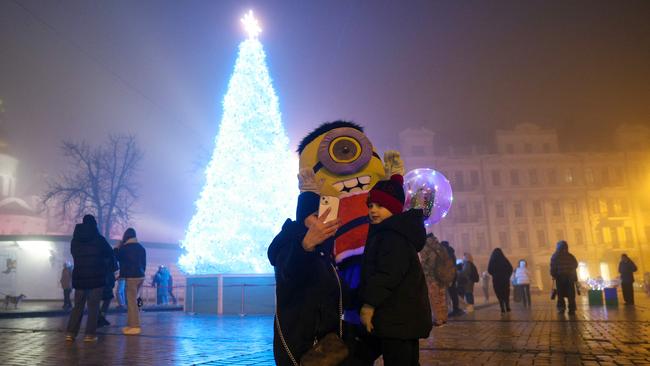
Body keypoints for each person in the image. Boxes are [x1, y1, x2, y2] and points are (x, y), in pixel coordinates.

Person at [359, 175, 432, 365]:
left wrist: (368, 305)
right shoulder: (391, 232)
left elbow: (387, 275)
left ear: (393, 209)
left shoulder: (392, 236)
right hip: (400, 317)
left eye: (380, 206)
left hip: (397, 317)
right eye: (371, 205)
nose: (373, 210)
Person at [268, 192, 341, 366]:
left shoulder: (323, 252)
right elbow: (289, 273)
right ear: (303, 218)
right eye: (316, 216)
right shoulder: (288, 245)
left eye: (326, 215)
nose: (322, 221)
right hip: (299, 345)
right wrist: (304, 246)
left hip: (323, 346)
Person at [65, 214, 115, 342]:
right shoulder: (99, 239)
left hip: (80, 277)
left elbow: (74, 254)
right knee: (93, 307)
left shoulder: (75, 241)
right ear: (94, 224)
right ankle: (90, 334)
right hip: (97, 278)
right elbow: (110, 254)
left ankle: (71, 333)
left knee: (78, 306)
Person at [115, 227, 146, 335]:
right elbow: (144, 263)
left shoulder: (125, 248)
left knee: (131, 303)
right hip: (140, 276)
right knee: (133, 301)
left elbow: (116, 257)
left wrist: (117, 247)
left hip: (131, 277)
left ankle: (135, 326)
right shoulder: (141, 248)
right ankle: (130, 325)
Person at [419, 233, 452, 327]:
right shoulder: (440, 247)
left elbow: (425, 263)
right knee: (442, 297)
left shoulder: (425, 247)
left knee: (434, 298)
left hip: (431, 277)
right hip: (441, 276)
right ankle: (444, 317)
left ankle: (438, 319)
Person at [550, 240, 578, 315]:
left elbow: (552, 267)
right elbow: (575, 265)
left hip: (560, 277)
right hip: (570, 277)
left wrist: (554, 275)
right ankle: (572, 309)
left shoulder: (555, 256)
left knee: (560, 294)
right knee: (571, 294)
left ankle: (561, 308)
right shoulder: (570, 256)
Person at [488, 248, 513, 314]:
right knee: (506, 293)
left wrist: (494, 274)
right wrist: (507, 276)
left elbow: (489, 270)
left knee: (499, 293)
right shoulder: (504, 260)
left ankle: (502, 307)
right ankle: (507, 306)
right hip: (505, 280)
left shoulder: (492, 260)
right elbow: (510, 268)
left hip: (496, 280)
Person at [441, 241, 462, 316]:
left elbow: (445, 265)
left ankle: (453, 309)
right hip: (453, 274)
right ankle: (455, 308)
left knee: (450, 293)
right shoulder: (451, 252)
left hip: (448, 275)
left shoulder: (446, 253)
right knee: (453, 292)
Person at [98, 251, 118, 327]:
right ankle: (101, 317)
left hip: (98, 280)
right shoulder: (111, 256)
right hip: (107, 281)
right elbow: (115, 268)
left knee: (97, 300)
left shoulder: (98, 255)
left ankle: (99, 317)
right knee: (107, 300)